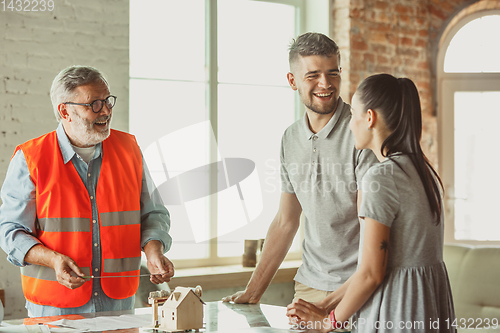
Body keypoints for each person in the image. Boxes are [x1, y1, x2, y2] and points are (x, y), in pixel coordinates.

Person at [286, 73, 456, 332]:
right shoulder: (424, 172)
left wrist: (326, 323)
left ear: (370, 118)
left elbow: (370, 274)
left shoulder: (381, 178)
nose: (350, 125)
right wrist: (326, 304)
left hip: (396, 312)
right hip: (425, 308)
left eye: (353, 115)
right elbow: (375, 264)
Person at [0, 65, 174, 317]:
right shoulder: (31, 158)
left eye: (107, 101)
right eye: (94, 104)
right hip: (53, 310)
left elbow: (153, 214)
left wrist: (153, 249)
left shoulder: (129, 149)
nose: (105, 111)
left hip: (119, 306)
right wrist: (52, 260)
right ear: (65, 111)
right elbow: (10, 232)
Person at [222, 33, 377, 306]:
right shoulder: (290, 138)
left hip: (359, 288)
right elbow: (286, 221)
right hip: (308, 286)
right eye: (313, 75)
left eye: (333, 73)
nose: (325, 84)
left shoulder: (362, 133)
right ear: (292, 81)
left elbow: (372, 225)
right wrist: (252, 292)